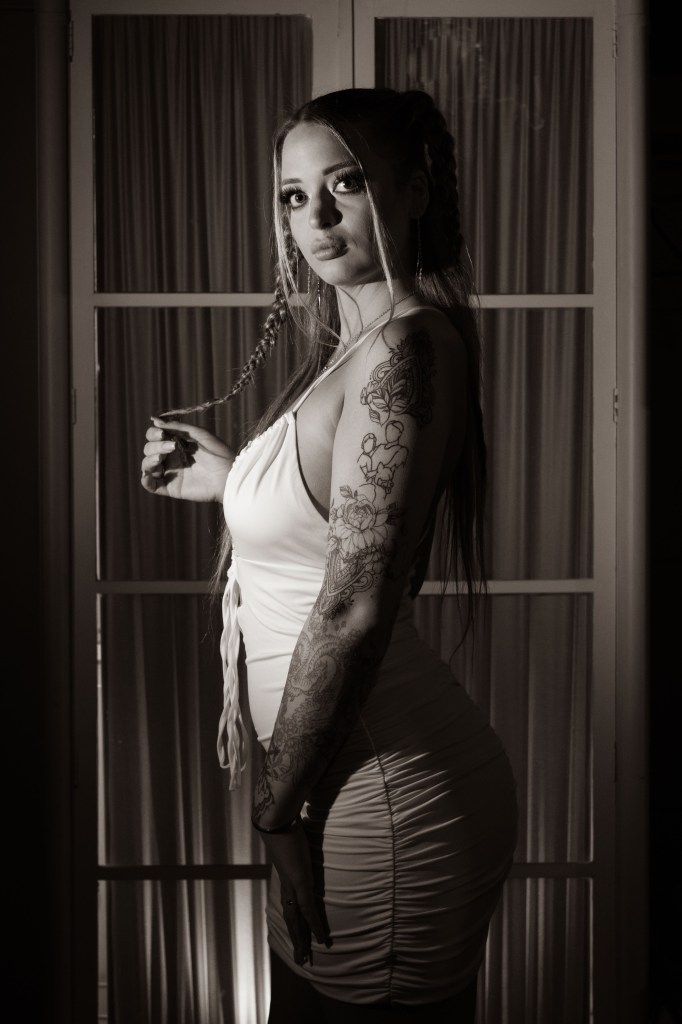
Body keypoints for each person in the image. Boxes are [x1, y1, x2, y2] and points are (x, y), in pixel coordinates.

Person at [140, 88, 517, 1023]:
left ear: (413, 193)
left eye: (344, 185)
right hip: (332, 785)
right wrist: (235, 481)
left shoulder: (405, 351)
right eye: (293, 195)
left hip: (382, 792)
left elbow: (351, 608)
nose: (315, 217)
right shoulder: (359, 347)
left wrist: (275, 812)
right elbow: (328, 532)